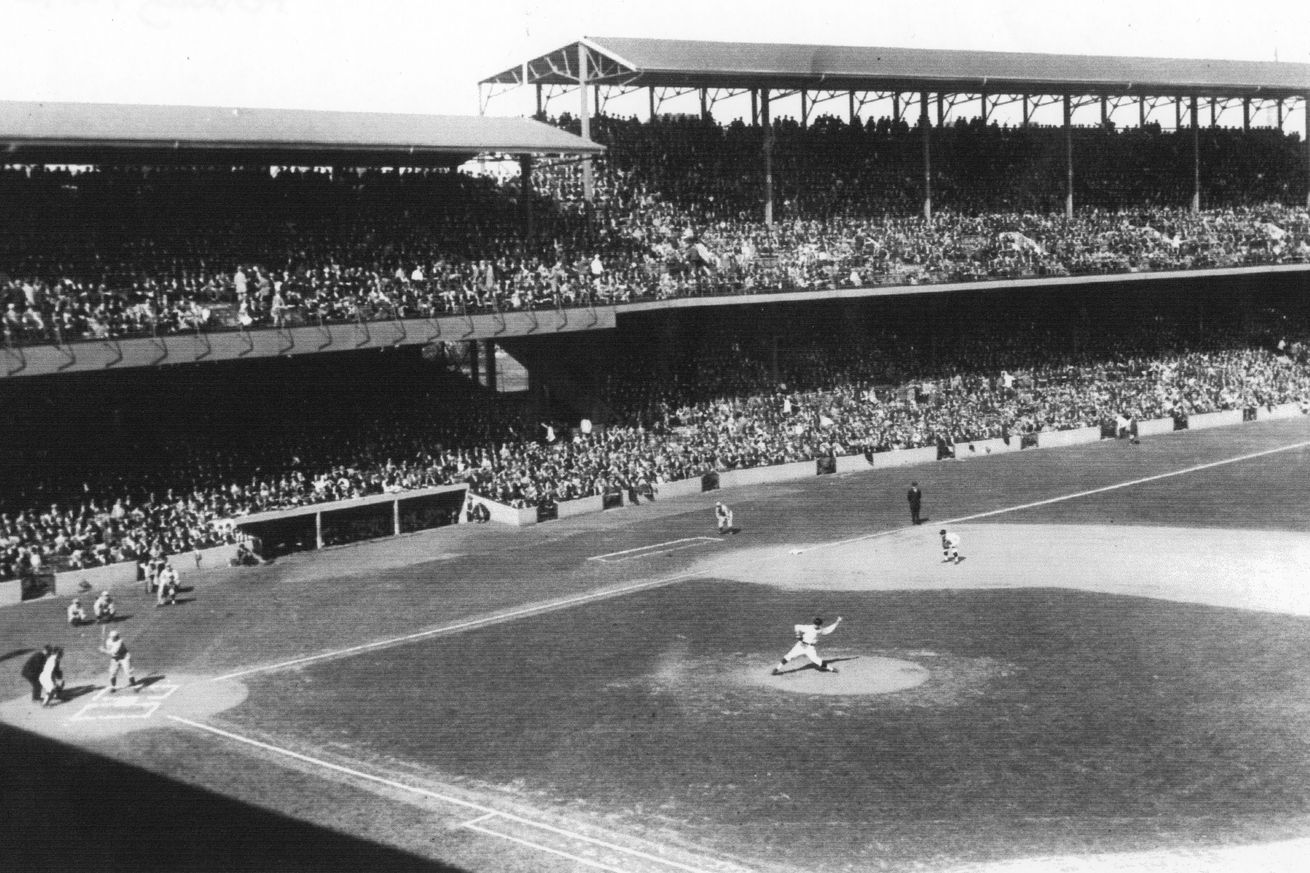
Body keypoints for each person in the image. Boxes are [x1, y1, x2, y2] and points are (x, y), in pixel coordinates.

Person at [772, 616, 842, 674]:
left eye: (817, 624)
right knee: (789, 656)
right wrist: (798, 635)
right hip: (801, 645)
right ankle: (777, 669)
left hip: (810, 648)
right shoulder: (808, 627)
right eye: (815, 624)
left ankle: (831, 669)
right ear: (813, 623)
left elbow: (829, 629)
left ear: (820, 625)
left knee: (816, 660)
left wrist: (837, 622)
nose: (816, 625)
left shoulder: (821, 630)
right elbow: (797, 626)